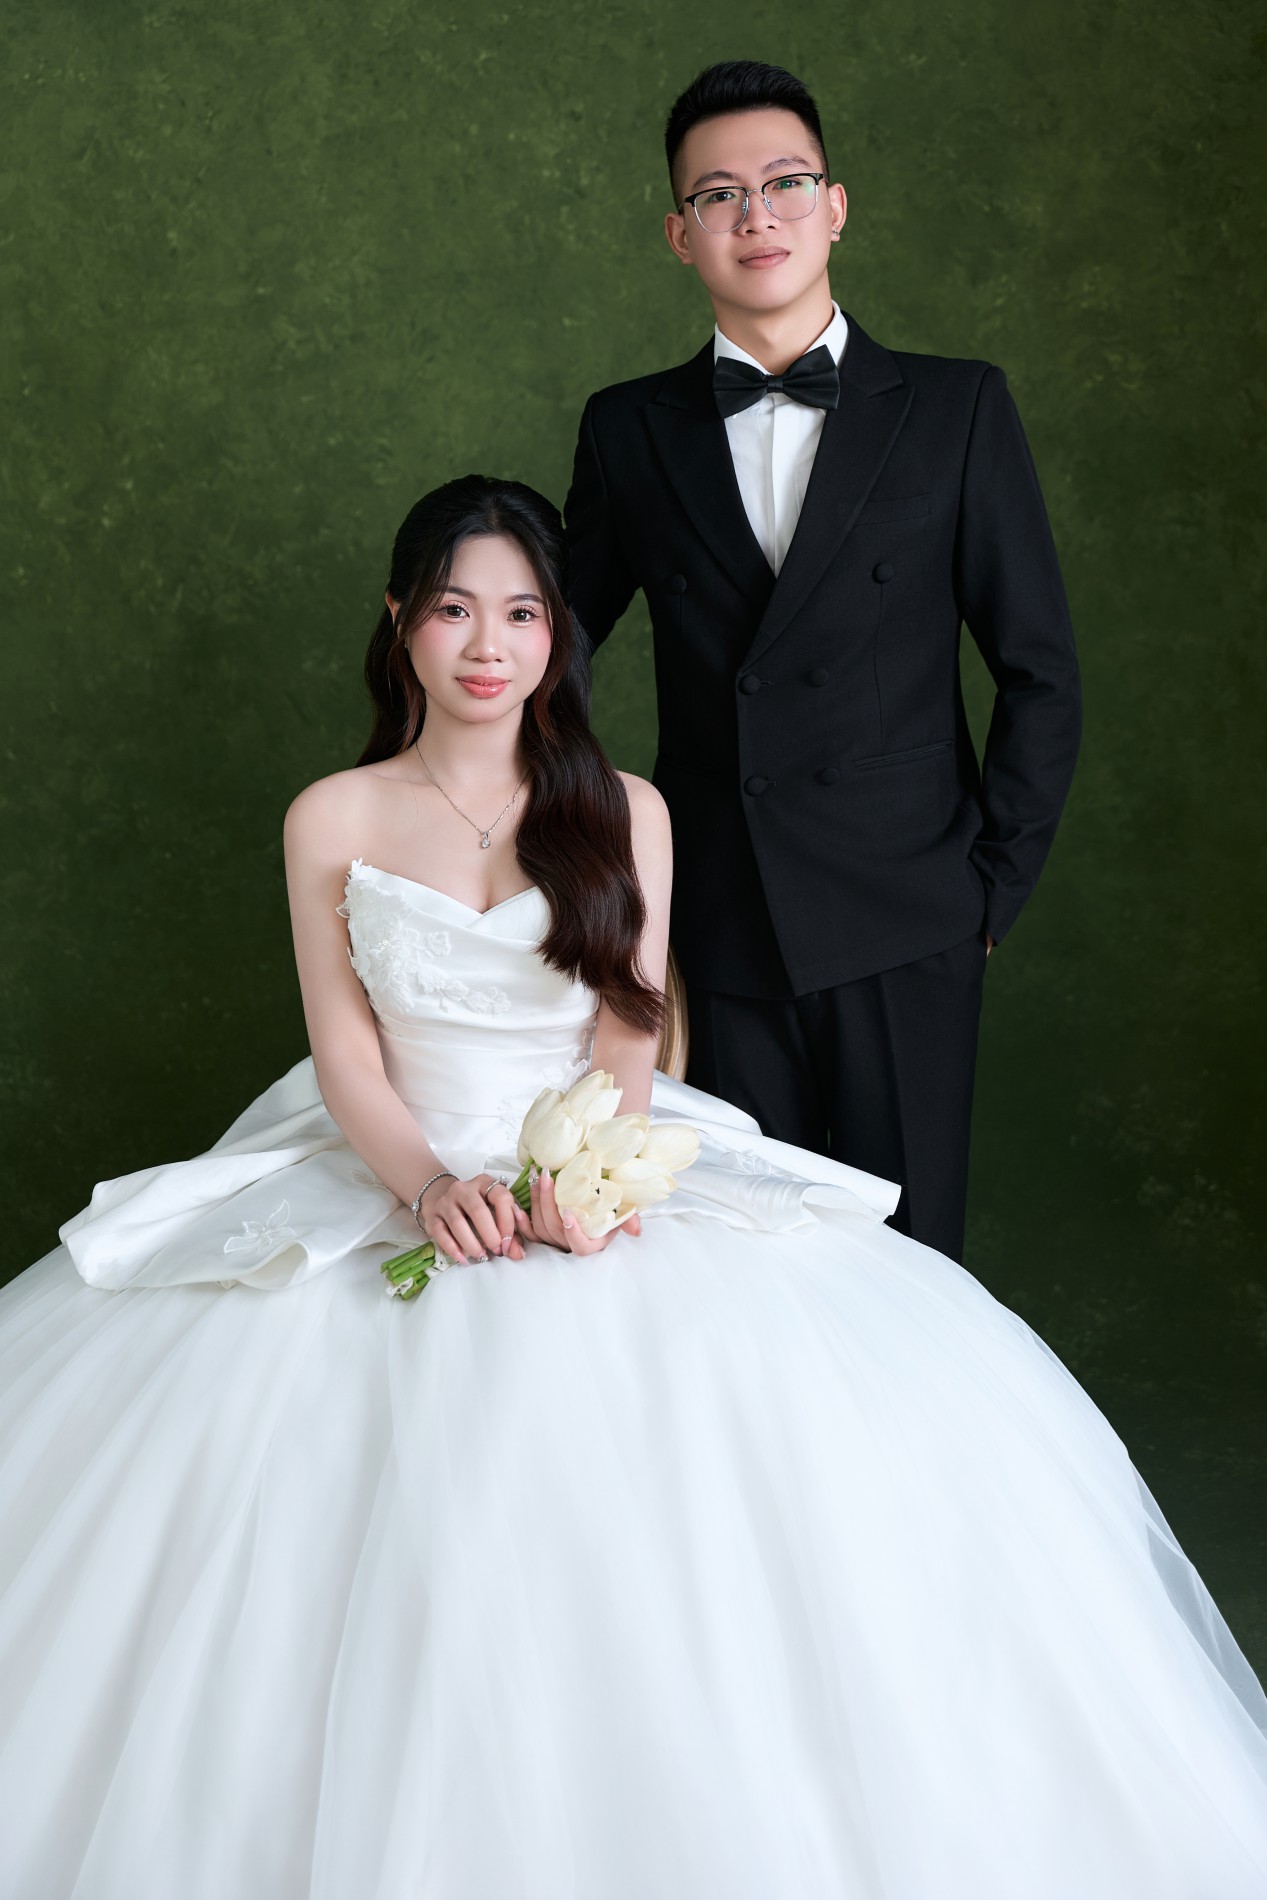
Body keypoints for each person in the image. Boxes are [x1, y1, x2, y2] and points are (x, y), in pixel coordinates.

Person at [0, 476, 1263, 1900]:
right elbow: (345, 1056)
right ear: (401, 623)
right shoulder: (331, 815)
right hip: (399, 1150)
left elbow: (625, 1033)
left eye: (523, 613)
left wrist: (579, 1174)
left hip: (589, 1144)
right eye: (455, 610)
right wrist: (429, 1186)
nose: (489, 645)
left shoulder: (625, 809)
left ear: (559, 634)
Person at [565, 60, 1082, 1263]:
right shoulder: (628, 427)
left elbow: (1040, 669)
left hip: (911, 916)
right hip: (716, 928)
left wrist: (986, 897)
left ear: (834, 206)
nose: (756, 215)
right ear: (679, 233)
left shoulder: (955, 409)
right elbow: (556, 655)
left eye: (785, 183)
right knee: (735, 1271)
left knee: (914, 1263)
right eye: (718, 195)